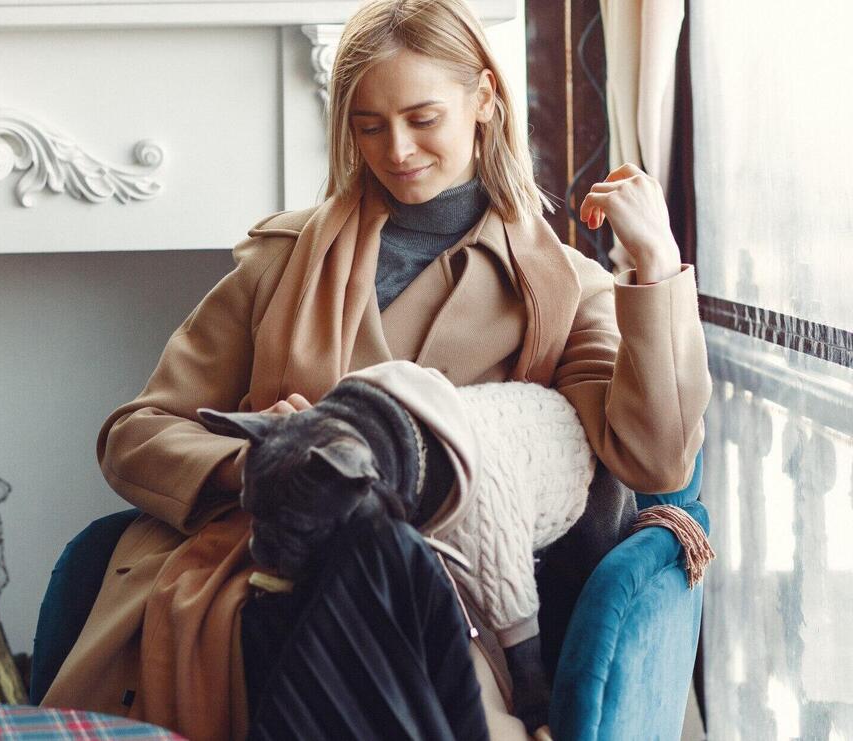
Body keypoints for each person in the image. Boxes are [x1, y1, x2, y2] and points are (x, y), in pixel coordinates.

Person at [40, 0, 711, 739]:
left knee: (387, 584)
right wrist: (270, 462)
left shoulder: (564, 289)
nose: (396, 150)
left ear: (484, 99)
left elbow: (653, 456)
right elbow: (135, 433)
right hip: (247, 578)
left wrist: (653, 268)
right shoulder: (279, 259)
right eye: (369, 124)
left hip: (446, 616)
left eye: (423, 119)